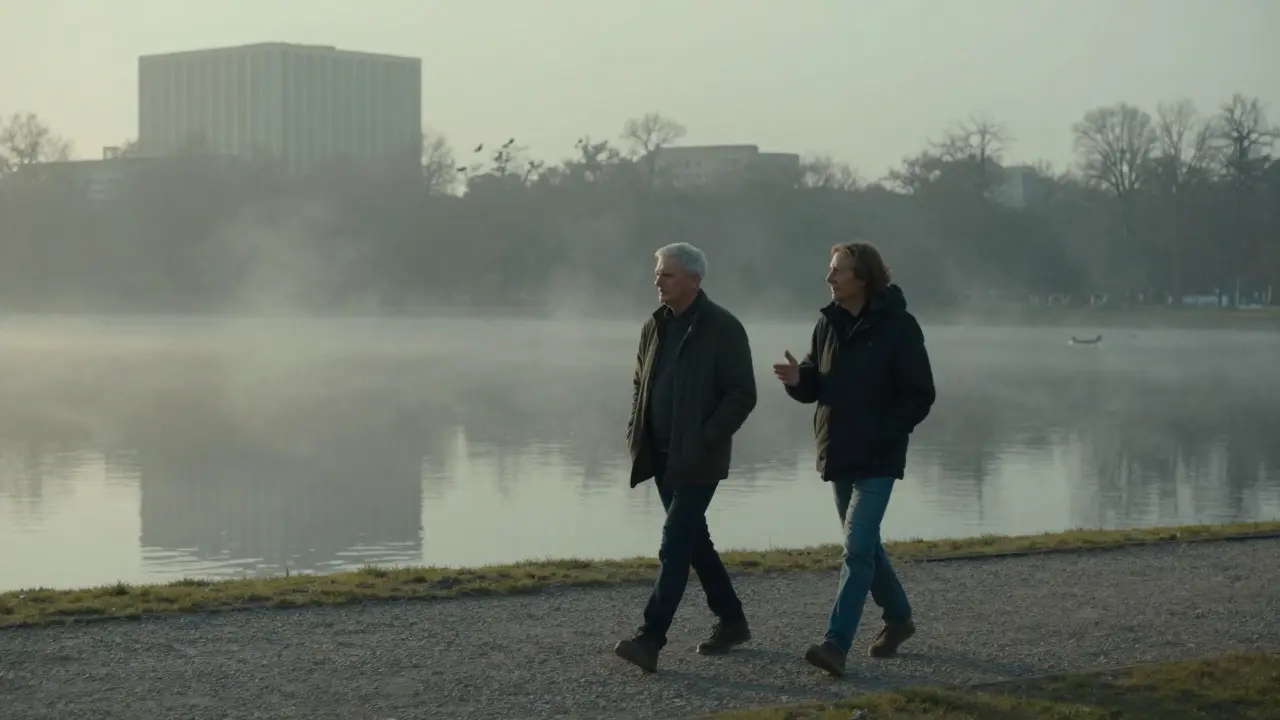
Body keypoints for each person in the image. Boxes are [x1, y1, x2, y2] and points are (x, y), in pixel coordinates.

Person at [772, 240, 936, 678]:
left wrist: (885, 432)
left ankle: (835, 644)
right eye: (830, 270)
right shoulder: (827, 324)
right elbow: (817, 385)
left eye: (837, 271)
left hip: (879, 457)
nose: (829, 278)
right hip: (839, 453)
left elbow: (921, 394)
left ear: (862, 277)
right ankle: (899, 620)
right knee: (866, 548)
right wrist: (798, 379)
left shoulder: (899, 326)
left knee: (857, 548)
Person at [613, 242, 759, 673]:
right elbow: (641, 383)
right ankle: (731, 620)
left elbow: (742, 394)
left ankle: (650, 638)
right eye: (658, 274)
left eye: (667, 274)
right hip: (658, 457)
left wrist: (705, 437)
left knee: (675, 542)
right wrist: (634, 432)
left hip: (698, 459)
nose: (658, 281)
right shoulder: (653, 326)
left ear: (694, 280)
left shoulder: (723, 328)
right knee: (695, 541)